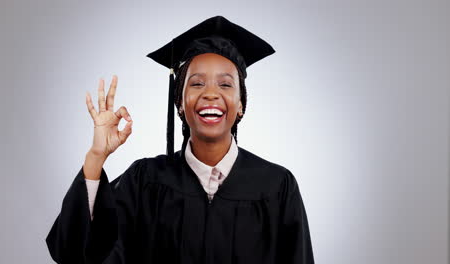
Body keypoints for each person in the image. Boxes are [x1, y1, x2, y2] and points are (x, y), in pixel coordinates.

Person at [46, 15, 315, 264]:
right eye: (197, 83)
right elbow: (77, 253)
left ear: (241, 103)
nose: (211, 94)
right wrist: (96, 156)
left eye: (225, 84)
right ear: (179, 103)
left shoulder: (277, 186)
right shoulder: (145, 181)